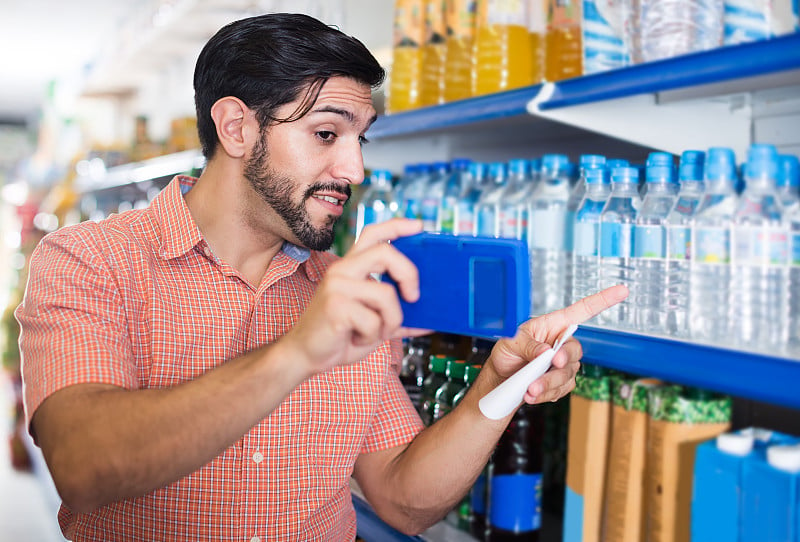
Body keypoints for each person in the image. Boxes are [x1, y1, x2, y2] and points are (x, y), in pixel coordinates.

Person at [15, 12, 628, 542]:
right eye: (327, 133)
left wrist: (498, 384)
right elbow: (84, 464)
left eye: (360, 139)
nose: (354, 168)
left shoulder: (350, 289)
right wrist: (299, 350)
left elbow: (402, 497)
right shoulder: (88, 261)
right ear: (236, 128)